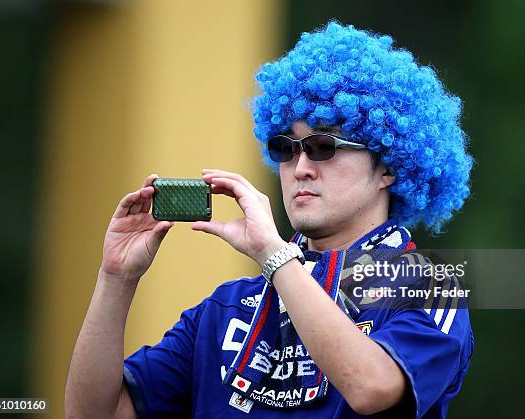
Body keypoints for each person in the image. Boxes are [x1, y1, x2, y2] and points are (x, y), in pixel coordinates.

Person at [65, 21, 474, 418]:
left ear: (389, 166)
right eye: (285, 147)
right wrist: (115, 279)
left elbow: (372, 388)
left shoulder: (428, 286)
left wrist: (274, 255)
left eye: (322, 145)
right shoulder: (225, 308)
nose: (299, 168)